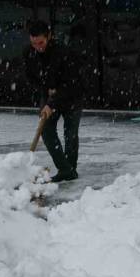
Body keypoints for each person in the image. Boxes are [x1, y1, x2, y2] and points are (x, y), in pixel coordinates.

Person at [23, 20, 83, 183]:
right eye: (34, 43)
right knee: (47, 130)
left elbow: (71, 82)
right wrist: (45, 91)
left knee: (70, 134)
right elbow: (31, 77)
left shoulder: (63, 53)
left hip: (71, 96)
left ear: (49, 36)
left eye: (41, 42)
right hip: (48, 96)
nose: (38, 46)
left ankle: (70, 169)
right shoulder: (29, 53)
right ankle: (65, 169)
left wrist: (53, 101)